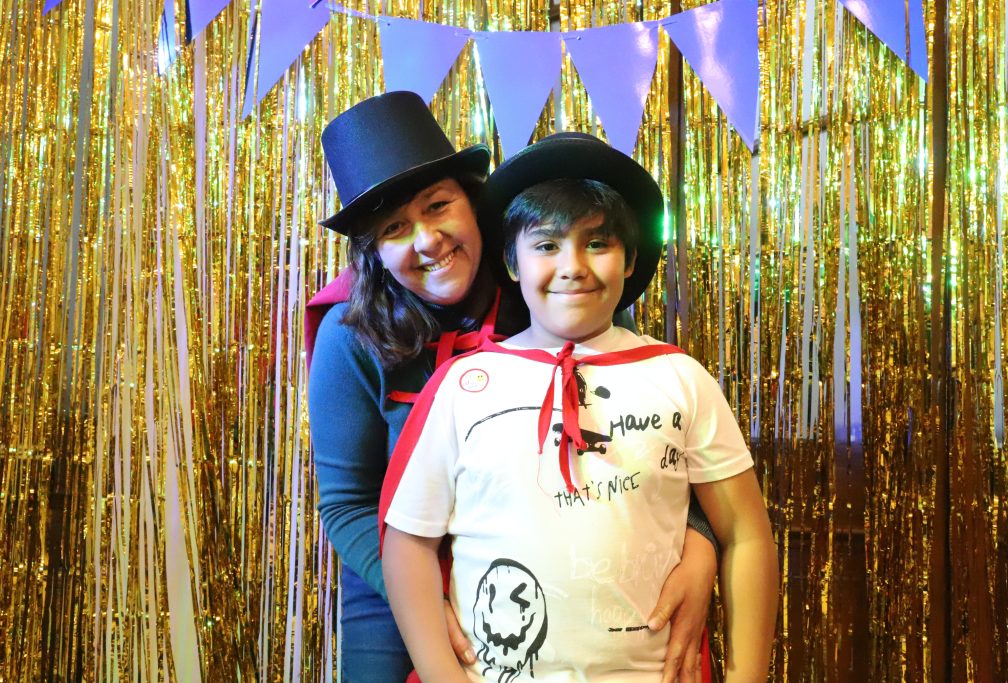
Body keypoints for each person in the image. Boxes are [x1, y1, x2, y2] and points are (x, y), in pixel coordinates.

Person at [307, 92, 721, 682]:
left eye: (438, 206)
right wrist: (427, 596)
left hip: (548, 577)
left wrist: (701, 546)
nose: (427, 240)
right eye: (394, 228)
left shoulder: (559, 294)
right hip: (393, 572)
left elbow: (658, 441)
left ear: (475, 205)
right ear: (373, 251)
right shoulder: (350, 336)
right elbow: (347, 501)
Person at [379, 133, 779, 682]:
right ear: (511, 262)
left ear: (630, 259)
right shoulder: (462, 386)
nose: (572, 266)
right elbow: (408, 542)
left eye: (597, 243)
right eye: (546, 245)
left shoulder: (681, 378)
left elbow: (747, 534)